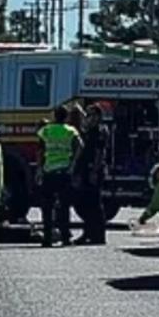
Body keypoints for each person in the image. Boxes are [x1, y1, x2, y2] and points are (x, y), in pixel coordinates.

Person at [37, 106, 82, 247]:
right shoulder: (70, 131)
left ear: (54, 116)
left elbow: (40, 150)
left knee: (47, 207)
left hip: (49, 171)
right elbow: (80, 146)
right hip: (64, 172)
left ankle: (47, 238)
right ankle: (65, 237)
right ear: (66, 117)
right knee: (64, 207)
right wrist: (73, 165)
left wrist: (39, 169)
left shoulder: (46, 130)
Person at [74, 103, 107, 245]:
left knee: (94, 204)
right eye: (88, 115)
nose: (89, 118)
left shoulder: (99, 131)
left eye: (92, 115)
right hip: (85, 170)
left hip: (94, 170)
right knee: (84, 204)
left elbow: (100, 153)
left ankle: (98, 236)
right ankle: (88, 233)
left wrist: (94, 171)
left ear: (98, 117)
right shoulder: (88, 130)